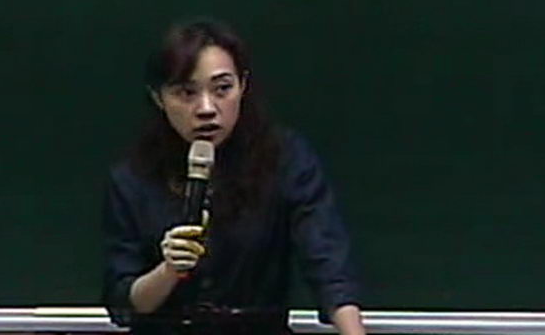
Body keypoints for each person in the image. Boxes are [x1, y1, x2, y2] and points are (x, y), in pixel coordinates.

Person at [102, 19, 365, 335]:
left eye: (222, 89)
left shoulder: (284, 159)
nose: (206, 108)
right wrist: (168, 270)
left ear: (243, 86)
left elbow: (327, 263)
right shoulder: (133, 178)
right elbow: (125, 302)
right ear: (159, 98)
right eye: (186, 92)